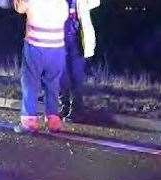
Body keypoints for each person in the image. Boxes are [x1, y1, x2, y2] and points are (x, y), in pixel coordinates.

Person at [13, 0, 69, 133]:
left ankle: (29, 121)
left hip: (36, 46)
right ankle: (53, 120)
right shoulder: (62, 3)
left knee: (30, 83)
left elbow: (19, 8)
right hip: (57, 47)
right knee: (53, 84)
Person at [60, 0, 99, 121]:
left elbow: (95, 2)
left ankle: (76, 109)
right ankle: (64, 106)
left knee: (77, 77)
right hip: (59, 39)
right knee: (62, 76)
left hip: (78, 42)